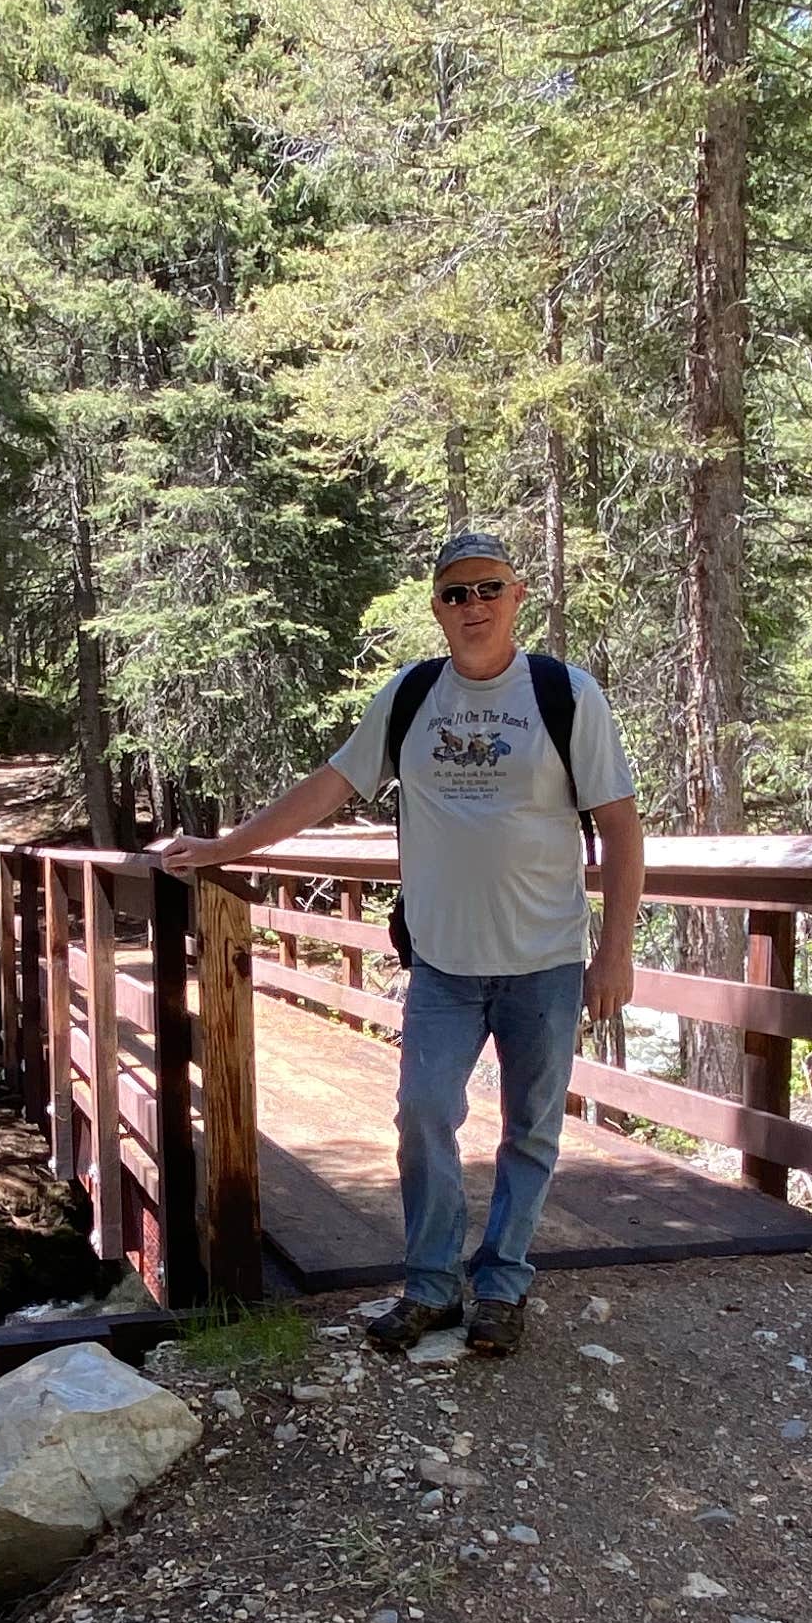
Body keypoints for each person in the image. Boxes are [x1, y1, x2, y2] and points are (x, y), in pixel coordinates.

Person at [157, 532, 642, 1358]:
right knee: (423, 1115)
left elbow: (622, 829)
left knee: (529, 1128)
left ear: (517, 596)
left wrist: (616, 954)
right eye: (455, 594)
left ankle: (501, 1283)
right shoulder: (413, 696)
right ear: (437, 609)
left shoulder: (564, 695)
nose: (473, 607)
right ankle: (430, 1284)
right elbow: (330, 785)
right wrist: (225, 848)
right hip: (445, 963)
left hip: (547, 960)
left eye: (487, 589)